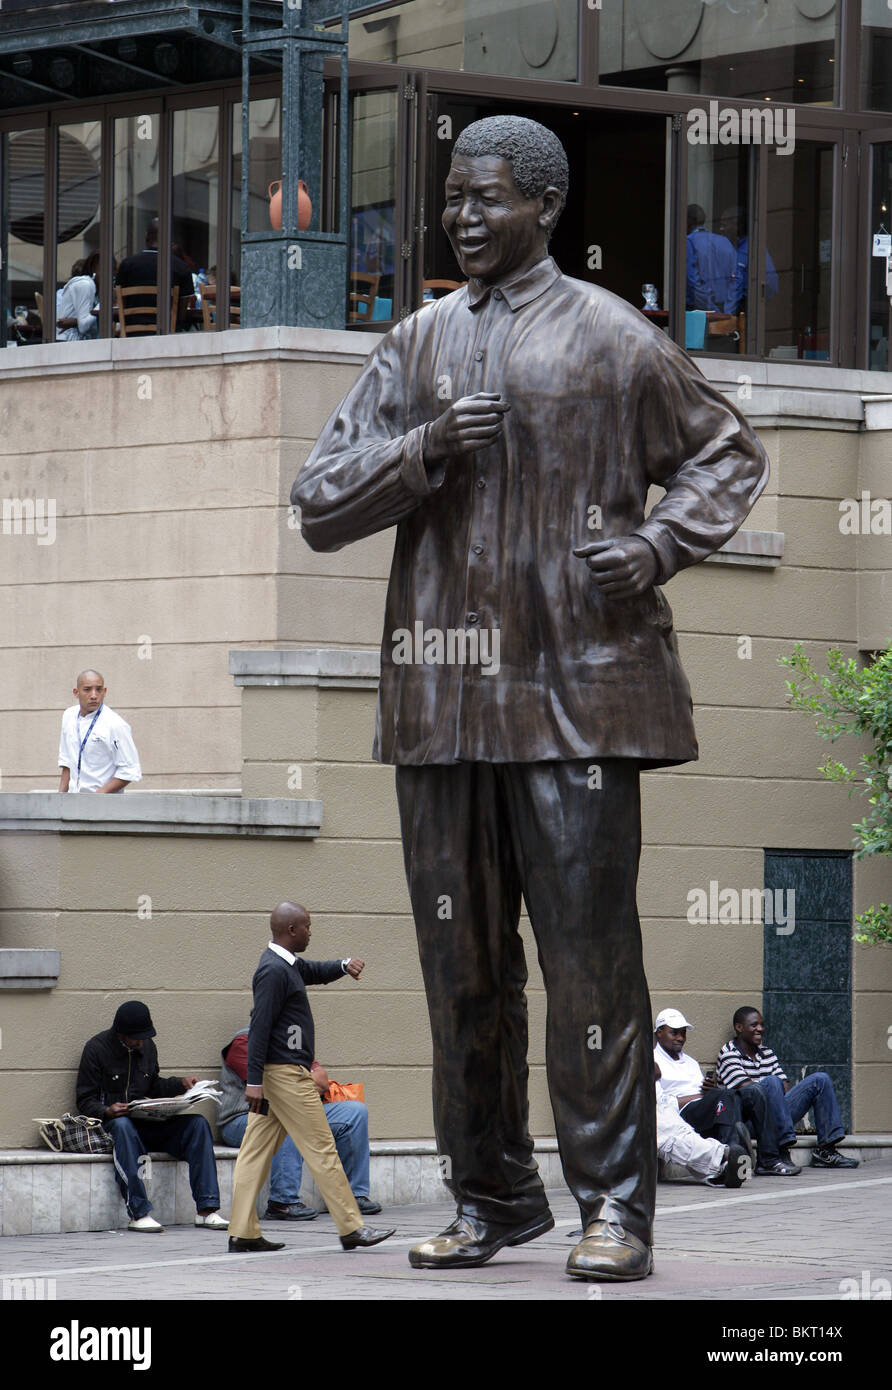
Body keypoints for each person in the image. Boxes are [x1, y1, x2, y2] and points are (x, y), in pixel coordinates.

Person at [293, 114, 769, 1282]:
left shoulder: (615, 339)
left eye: (485, 198)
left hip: (577, 702)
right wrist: (421, 451)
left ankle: (615, 1204)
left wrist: (657, 545)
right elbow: (316, 499)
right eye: (452, 197)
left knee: (589, 964)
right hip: (444, 710)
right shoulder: (413, 345)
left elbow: (728, 451)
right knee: (461, 969)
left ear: (542, 208)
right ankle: (492, 1194)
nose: (461, 216)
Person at [227, 902, 395, 1253]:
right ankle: (351, 1227)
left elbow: (311, 970)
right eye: (307, 927)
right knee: (322, 1148)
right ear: (291, 931)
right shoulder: (273, 971)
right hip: (286, 1077)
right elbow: (258, 1029)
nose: (310, 932)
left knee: (254, 1153)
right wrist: (253, 1082)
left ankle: (243, 1232)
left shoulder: (283, 965)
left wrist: (342, 966)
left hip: (276, 1077)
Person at [75, 1000, 228, 1232]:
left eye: (144, 1037)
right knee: (123, 1125)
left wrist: (181, 1085)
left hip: (147, 1123)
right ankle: (139, 1213)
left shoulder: (147, 1047)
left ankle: (207, 1210)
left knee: (197, 1124)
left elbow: (153, 1086)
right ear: (121, 1034)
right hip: (115, 1126)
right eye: (135, 1038)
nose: (140, 1042)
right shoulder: (96, 1049)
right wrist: (106, 1110)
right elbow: (85, 1100)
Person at [218, 1030, 382, 1218]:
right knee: (285, 1117)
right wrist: (299, 1080)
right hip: (242, 1119)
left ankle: (354, 1196)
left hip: (296, 1111)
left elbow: (322, 1081)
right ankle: (282, 1203)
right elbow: (271, 1087)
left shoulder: (293, 1043)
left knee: (354, 1112)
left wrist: (290, 1083)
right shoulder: (244, 1043)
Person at [654, 1008, 798, 1177]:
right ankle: (732, 1155)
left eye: (683, 1033)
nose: (680, 1038)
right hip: (682, 1115)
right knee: (725, 1095)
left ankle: (768, 1159)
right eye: (674, 1033)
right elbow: (662, 1105)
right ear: (659, 1032)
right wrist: (703, 1096)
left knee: (754, 1091)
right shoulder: (652, 1061)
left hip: (710, 1107)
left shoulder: (690, 1062)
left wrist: (711, 1091)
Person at [716, 1007, 858, 1170]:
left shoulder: (767, 1052)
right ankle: (782, 1147)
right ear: (739, 1027)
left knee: (821, 1080)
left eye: (762, 1025)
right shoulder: (729, 1053)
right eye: (754, 1025)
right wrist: (772, 1086)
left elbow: (784, 1086)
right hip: (750, 1123)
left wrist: (773, 1088)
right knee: (771, 1082)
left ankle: (826, 1151)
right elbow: (749, 1091)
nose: (760, 1029)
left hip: (776, 1115)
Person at [654, 1062, 750, 1188]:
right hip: (657, 1109)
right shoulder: (652, 1054)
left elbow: (655, 1072)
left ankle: (725, 1168)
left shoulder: (690, 1062)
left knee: (682, 1133)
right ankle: (725, 1155)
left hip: (664, 1105)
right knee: (671, 1138)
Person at [58, 669, 141, 793]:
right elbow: (67, 762)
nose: (94, 695)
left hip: (103, 806)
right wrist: (60, 800)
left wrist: (97, 796)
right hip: (73, 803)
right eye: (87, 689)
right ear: (76, 692)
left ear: (105, 691)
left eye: (99, 689)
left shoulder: (116, 724)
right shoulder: (69, 716)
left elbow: (130, 770)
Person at [115, 219, 194, 329]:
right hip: (167, 333)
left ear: (147, 237)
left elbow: (120, 303)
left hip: (132, 331)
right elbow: (181, 313)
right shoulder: (181, 267)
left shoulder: (127, 264)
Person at [718, 206, 779, 315]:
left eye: (724, 225)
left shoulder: (745, 251)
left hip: (746, 308)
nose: (721, 229)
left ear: (736, 225)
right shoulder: (754, 246)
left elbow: (736, 286)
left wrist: (727, 316)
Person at [686, 203, 738, 312]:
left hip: (699, 312)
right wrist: (728, 311)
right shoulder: (725, 241)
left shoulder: (689, 242)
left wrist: (713, 310)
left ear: (687, 221)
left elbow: (693, 283)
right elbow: (736, 280)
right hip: (725, 311)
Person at [56, 252, 99, 341]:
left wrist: (74, 321)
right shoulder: (84, 285)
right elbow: (61, 322)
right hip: (70, 341)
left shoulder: (95, 291)